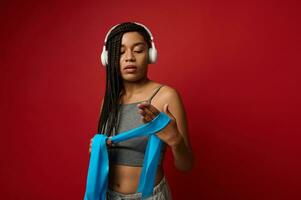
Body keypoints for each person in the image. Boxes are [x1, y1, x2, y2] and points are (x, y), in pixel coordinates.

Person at [89, 22, 194, 199]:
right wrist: (98, 148)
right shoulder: (108, 102)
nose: (129, 57)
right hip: (108, 195)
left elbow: (187, 165)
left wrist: (176, 141)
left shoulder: (166, 96)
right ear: (108, 58)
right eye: (120, 52)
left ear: (150, 55)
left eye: (138, 50)